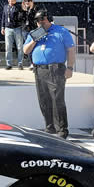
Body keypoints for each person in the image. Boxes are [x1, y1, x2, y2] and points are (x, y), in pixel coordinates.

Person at [24, 9, 76, 138]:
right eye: (37, 21)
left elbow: (71, 50)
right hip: (39, 70)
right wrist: (35, 39)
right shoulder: (33, 33)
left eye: (43, 20)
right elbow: (25, 50)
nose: (40, 23)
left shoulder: (61, 31)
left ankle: (62, 130)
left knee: (57, 100)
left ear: (49, 19)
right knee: (44, 100)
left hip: (56, 69)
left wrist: (69, 67)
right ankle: (49, 127)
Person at [1, 0, 25, 70]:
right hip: (8, 29)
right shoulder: (5, 7)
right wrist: (3, 27)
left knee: (19, 46)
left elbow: (21, 16)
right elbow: (3, 17)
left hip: (17, 28)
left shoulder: (18, 7)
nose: (12, 0)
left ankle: (20, 63)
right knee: (8, 47)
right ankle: (9, 64)